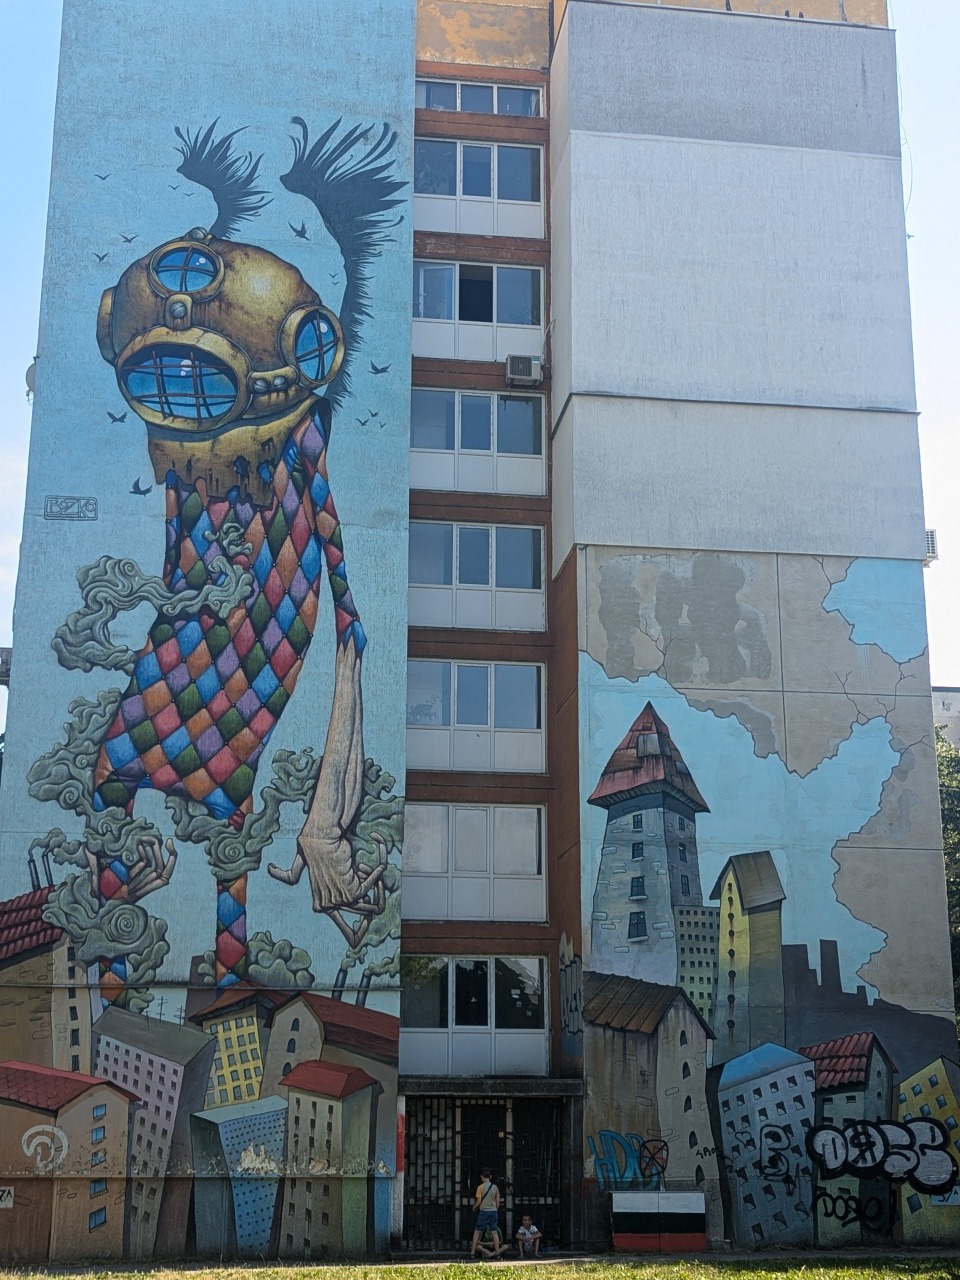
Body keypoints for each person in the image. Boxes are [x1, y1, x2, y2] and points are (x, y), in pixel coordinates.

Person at [470, 1169, 502, 1259]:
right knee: (494, 1232)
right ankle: (497, 1253)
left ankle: (472, 1253)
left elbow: (479, 1201)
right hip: (493, 1211)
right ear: (490, 1177)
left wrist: (474, 1207)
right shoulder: (495, 1187)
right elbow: (498, 1202)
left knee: (477, 1231)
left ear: (482, 1177)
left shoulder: (480, 1187)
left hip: (484, 1212)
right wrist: (495, 1207)